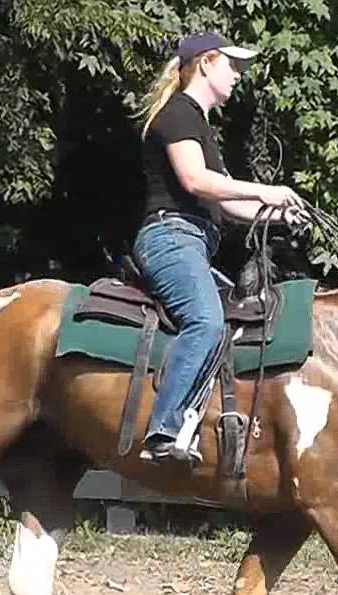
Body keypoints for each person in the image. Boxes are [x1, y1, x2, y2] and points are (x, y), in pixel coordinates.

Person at [133, 31, 306, 464]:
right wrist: (265, 190)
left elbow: (225, 203)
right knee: (207, 321)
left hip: (190, 242)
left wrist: (281, 215)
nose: (238, 75)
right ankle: (162, 431)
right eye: (233, 65)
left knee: (236, 320)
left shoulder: (197, 123)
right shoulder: (178, 114)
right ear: (207, 63)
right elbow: (195, 180)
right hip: (170, 239)